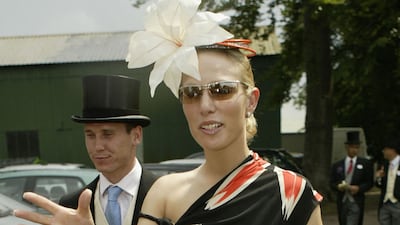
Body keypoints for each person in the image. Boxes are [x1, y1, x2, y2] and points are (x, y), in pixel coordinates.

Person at [14, 0, 323, 224]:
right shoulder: (165, 192)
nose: (205, 106)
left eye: (222, 90)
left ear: (251, 100)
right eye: (191, 93)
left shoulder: (291, 194)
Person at [60, 74, 158, 225]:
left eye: (107, 134)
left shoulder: (167, 197)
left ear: (136, 135)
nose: (98, 146)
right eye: (90, 135)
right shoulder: (72, 205)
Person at [330, 131, 374, 225]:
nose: (355, 150)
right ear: (347, 147)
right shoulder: (338, 165)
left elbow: (369, 182)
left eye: (357, 148)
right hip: (342, 200)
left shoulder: (365, 164)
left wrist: (359, 188)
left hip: (356, 201)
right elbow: (332, 182)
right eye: (352, 147)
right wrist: (338, 187)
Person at [375, 138, 400, 225]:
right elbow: (380, 185)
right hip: (385, 203)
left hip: (397, 202)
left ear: (392, 150)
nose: (383, 151)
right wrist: (378, 178)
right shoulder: (384, 164)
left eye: (385, 149)